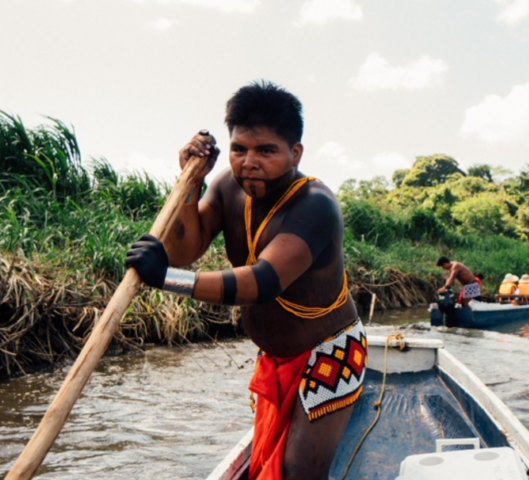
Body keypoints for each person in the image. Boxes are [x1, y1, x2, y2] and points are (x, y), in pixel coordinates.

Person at [125, 81, 363, 480]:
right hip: (274, 357)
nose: (249, 162)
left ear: (295, 153)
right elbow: (187, 247)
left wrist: (167, 278)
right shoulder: (227, 187)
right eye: (239, 150)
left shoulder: (315, 205)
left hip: (331, 353)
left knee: (298, 471)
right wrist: (191, 180)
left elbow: (262, 282)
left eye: (266, 151)